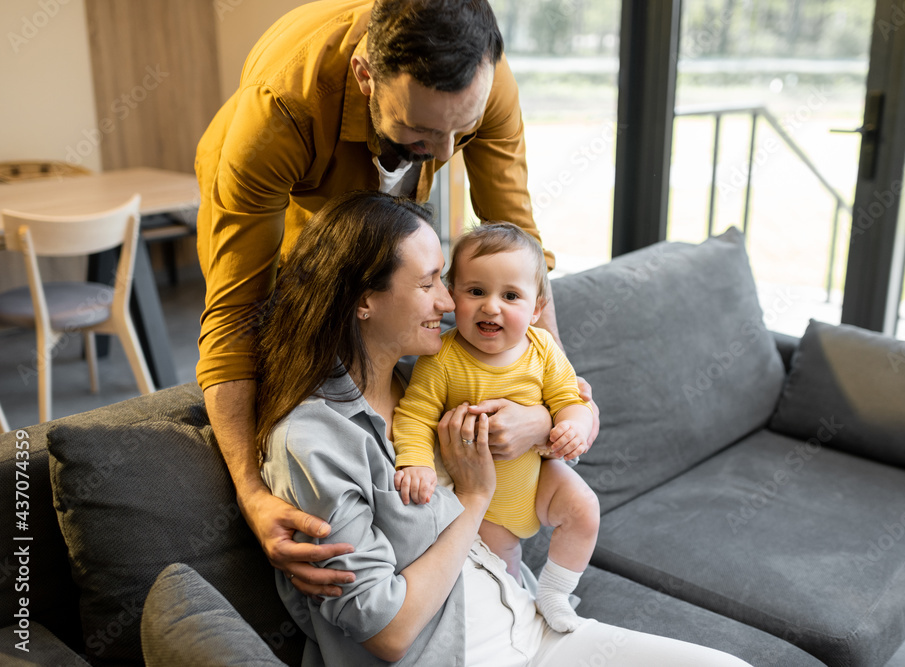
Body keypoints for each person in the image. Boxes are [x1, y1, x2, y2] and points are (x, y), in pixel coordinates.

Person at [194, 0, 599, 599]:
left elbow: (520, 249)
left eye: (461, 130)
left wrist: (547, 391)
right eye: (423, 130)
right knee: (314, 319)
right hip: (293, 211)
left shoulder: (487, 85)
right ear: (365, 76)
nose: (443, 154)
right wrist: (252, 494)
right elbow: (233, 315)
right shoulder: (278, 113)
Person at [256, 191, 751, 666]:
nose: (449, 304)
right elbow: (386, 632)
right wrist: (474, 498)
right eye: (429, 284)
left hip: (532, 624)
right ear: (365, 301)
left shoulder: (421, 381)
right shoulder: (312, 441)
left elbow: (563, 413)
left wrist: (544, 421)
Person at [392, 223, 599, 632]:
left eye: (510, 296)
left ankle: (555, 592)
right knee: (502, 569)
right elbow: (414, 415)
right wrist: (415, 462)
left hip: (539, 479)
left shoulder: (543, 351)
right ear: (452, 296)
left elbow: (568, 399)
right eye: (476, 292)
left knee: (585, 510)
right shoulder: (442, 359)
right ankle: (521, 610)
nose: (491, 307)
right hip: (482, 503)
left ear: (536, 308)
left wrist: (573, 425)